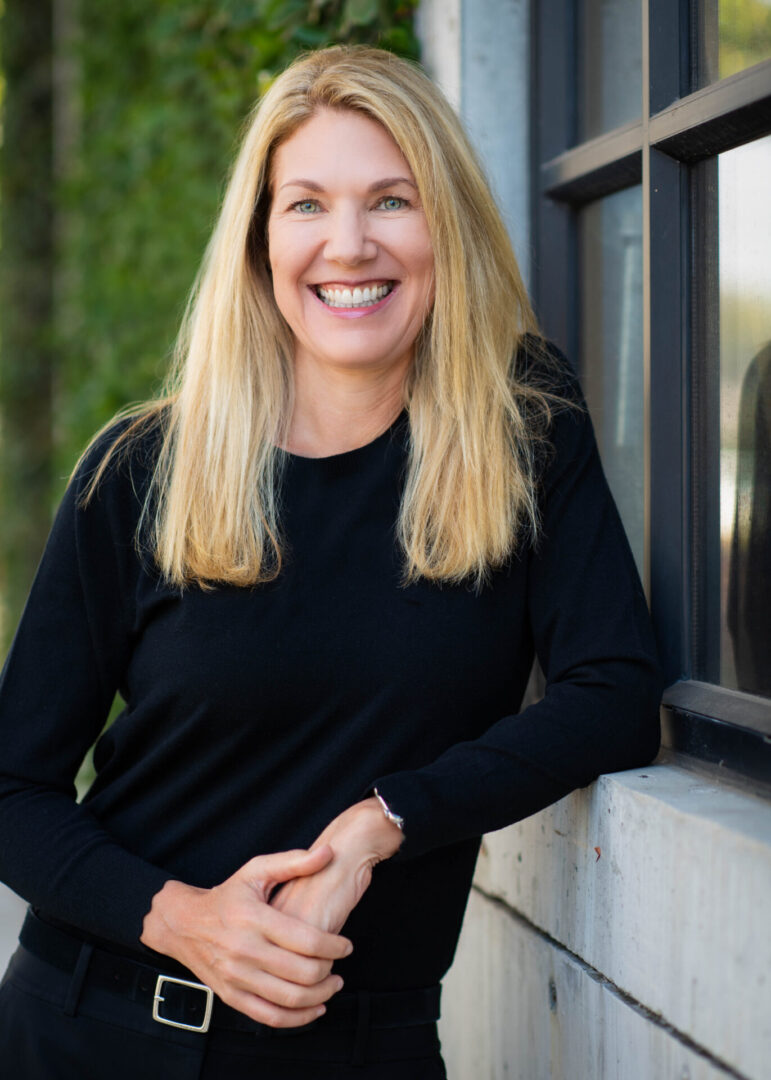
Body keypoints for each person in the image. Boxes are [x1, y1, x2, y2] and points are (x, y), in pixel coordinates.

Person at [0, 44, 662, 1078]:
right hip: (93, 1026)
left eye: (391, 200)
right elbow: (13, 788)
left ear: (447, 224)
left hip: (359, 1050)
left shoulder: (523, 437)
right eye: (305, 204)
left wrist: (388, 818)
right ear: (261, 241)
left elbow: (615, 689)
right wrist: (185, 922)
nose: (347, 245)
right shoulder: (143, 471)